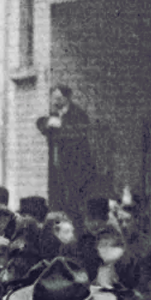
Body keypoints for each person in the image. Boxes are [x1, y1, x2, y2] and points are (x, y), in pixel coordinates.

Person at [35, 85, 99, 213]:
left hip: (75, 169)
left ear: (67, 98)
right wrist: (48, 122)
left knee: (73, 205)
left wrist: (61, 125)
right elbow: (40, 124)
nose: (54, 101)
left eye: (58, 98)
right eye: (53, 98)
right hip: (56, 168)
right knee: (57, 203)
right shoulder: (54, 114)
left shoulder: (78, 114)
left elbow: (77, 133)